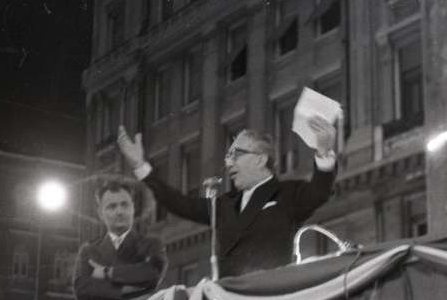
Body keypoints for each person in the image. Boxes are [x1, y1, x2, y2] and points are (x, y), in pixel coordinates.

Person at [117, 119, 337, 278]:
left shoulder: (288, 194)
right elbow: (178, 203)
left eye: (236, 155)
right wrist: (141, 167)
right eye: (228, 156)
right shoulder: (223, 205)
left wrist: (324, 153)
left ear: (260, 160)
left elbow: (319, 191)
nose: (228, 163)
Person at [73, 181, 168, 300]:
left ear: (133, 208)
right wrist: (124, 290)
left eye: (125, 205)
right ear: (101, 214)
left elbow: (152, 274)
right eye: (112, 207)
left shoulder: (152, 244)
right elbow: (82, 289)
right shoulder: (89, 250)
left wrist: (107, 272)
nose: (120, 211)